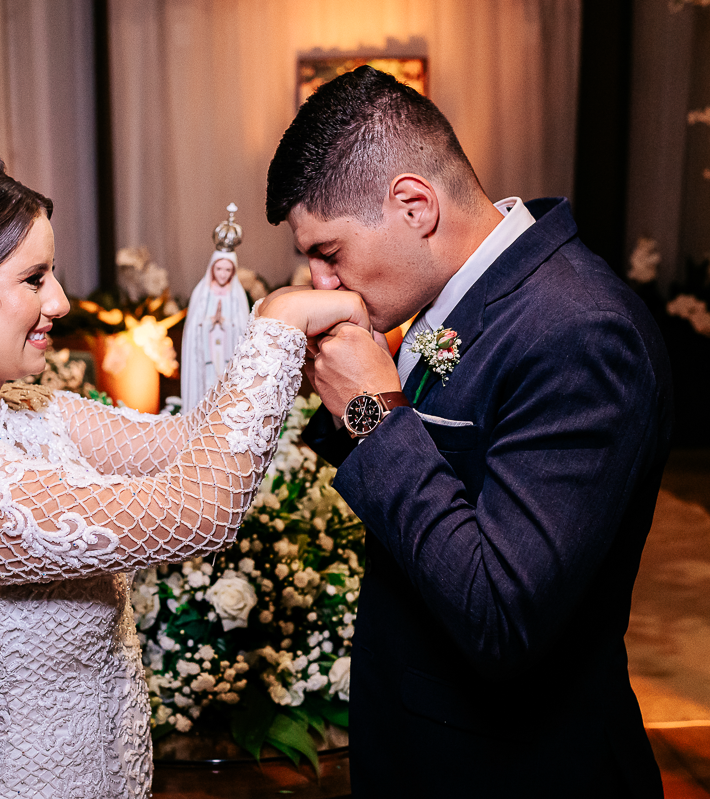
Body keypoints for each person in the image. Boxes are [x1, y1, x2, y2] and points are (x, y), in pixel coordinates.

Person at [0, 135, 367, 799]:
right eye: (33, 279)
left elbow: (190, 442)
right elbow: (199, 512)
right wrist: (277, 323)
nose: (60, 302)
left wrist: (282, 360)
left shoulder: (33, 410)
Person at [266, 67, 672, 797]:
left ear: (415, 205)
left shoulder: (581, 330)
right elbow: (441, 462)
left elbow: (501, 612)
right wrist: (331, 394)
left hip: (518, 769)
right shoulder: (462, 299)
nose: (322, 280)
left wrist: (371, 411)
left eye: (328, 252)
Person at [181, 203, 252, 409]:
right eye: (219, 268)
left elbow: (242, 328)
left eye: (227, 270)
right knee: (207, 385)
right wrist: (208, 323)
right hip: (207, 350)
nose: (222, 274)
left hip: (227, 349)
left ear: (233, 271)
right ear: (212, 268)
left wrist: (227, 324)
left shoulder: (236, 296)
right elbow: (193, 326)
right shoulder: (202, 293)